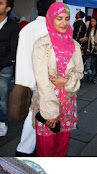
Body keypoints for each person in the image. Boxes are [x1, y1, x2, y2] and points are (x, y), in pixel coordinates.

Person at [32, 2, 83, 157]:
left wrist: (66, 81)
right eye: (59, 18)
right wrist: (50, 113)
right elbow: (42, 81)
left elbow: (79, 72)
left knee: (62, 149)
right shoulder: (42, 45)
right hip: (47, 103)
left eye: (67, 19)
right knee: (46, 149)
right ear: (51, 19)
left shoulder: (74, 45)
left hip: (68, 103)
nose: (64, 23)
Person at [15, 0, 54, 157]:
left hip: (29, 77)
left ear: (37, 10)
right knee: (37, 112)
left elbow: (21, 55)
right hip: (46, 79)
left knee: (35, 110)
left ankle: (28, 146)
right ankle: (27, 147)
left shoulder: (27, 29)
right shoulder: (52, 30)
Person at [0, 0, 19, 137]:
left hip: (4, 68)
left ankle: (3, 122)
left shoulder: (13, 26)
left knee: (2, 98)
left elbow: (13, 51)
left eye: (0, 3)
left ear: (8, 8)